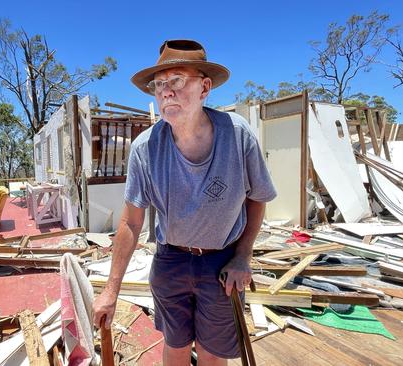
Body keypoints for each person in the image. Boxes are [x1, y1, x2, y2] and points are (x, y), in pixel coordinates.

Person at [93, 39, 276, 365]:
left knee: (211, 353)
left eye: (177, 80)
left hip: (221, 263)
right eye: (159, 85)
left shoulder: (237, 135)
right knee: (175, 347)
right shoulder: (145, 148)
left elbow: (257, 199)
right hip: (170, 262)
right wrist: (110, 290)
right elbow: (130, 222)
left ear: (205, 87)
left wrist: (243, 256)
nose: (166, 92)